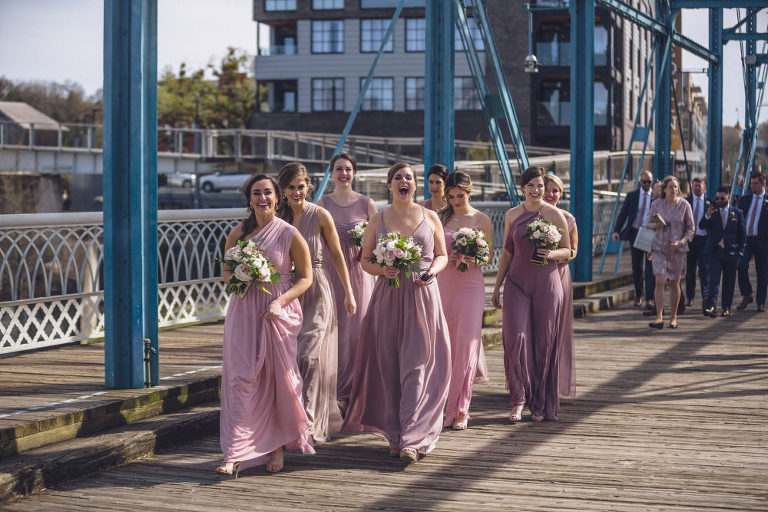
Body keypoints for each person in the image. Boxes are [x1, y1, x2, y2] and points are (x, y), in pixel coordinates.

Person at [342, 162, 451, 463]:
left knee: (416, 367)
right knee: (389, 367)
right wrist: (382, 269)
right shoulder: (378, 219)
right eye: (398, 177)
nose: (404, 181)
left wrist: (432, 271)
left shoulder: (430, 217)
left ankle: (412, 439)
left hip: (422, 295)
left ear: (415, 185)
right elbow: (364, 261)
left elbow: (442, 255)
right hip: (388, 298)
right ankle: (394, 432)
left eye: (409, 178)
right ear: (389, 185)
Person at [217, 174, 314, 476]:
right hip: (244, 311)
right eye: (256, 193)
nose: (263, 197)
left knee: (276, 380)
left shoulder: (289, 234)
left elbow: (306, 278)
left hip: (277, 311)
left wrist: (279, 302)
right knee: (240, 380)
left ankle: (277, 446)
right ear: (249, 199)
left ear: (277, 197)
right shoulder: (237, 234)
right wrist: (242, 277)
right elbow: (226, 274)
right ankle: (235, 452)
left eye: (268, 192)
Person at [277, 162, 357, 444]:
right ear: (282, 189)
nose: (297, 192)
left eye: (301, 186)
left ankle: (307, 423)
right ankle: (288, 417)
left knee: (308, 356)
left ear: (308, 186)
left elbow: (338, 255)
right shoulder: (278, 218)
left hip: (318, 291)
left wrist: (348, 291)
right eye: (291, 187)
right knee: (289, 356)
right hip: (288, 290)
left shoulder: (321, 215)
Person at [491, 166, 571, 422]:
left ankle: (538, 402)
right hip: (517, 283)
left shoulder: (555, 214)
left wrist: (550, 253)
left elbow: (568, 251)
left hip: (547, 283)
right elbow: (506, 252)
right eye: (532, 186)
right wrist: (497, 286)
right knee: (515, 338)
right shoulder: (512, 215)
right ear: (522, 188)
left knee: (544, 342)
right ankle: (517, 400)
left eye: (540, 186)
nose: (537, 191)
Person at [316, 153, 378, 414]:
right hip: (332, 275)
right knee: (334, 332)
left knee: (358, 333)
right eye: (339, 169)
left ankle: (358, 390)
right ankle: (338, 392)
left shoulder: (367, 204)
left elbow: (379, 241)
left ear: (354, 174)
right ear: (331, 174)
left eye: (348, 169)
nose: (343, 173)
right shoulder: (322, 204)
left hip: (360, 275)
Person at [436, 171, 493, 430]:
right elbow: (434, 252)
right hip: (444, 284)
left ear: (469, 192)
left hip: (471, 285)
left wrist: (473, 258)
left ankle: (461, 409)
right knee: (444, 345)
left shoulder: (482, 219)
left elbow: (489, 257)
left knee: (467, 344)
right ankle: (438, 403)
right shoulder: (439, 218)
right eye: (451, 196)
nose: (456, 200)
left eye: (460, 195)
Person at [543, 174, 577, 400]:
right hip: (533, 275)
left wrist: (558, 255)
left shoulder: (568, 218)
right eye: (547, 189)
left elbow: (574, 251)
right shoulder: (528, 216)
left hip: (559, 273)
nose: (550, 194)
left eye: (556, 191)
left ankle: (553, 381)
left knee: (555, 329)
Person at [646, 176, 695, 329]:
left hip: (678, 249)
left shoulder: (684, 205)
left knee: (674, 282)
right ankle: (659, 317)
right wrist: (657, 225)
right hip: (659, 248)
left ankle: (673, 317)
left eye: (676, 187)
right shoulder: (656, 204)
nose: (673, 190)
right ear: (664, 190)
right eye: (670, 187)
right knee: (660, 281)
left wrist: (682, 241)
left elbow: (691, 228)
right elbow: (648, 224)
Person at [611, 170, 656, 310]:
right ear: (640, 182)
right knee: (636, 267)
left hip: (649, 234)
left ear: (652, 181)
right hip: (635, 232)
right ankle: (639, 295)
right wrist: (616, 231)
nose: (647, 184)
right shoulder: (632, 196)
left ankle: (649, 298)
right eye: (644, 181)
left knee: (650, 268)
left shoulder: (656, 197)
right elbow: (623, 214)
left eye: (649, 181)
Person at [700, 187, 746, 318]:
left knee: (729, 281)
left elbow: (743, 235)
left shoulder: (737, 213)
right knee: (714, 280)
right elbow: (701, 225)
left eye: (722, 198)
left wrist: (740, 252)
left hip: (731, 252)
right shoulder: (712, 212)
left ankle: (726, 307)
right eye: (717, 198)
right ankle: (712, 306)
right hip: (715, 251)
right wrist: (707, 215)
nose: (719, 201)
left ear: (728, 197)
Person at [736, 172, 768, 313]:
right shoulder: (744, 199)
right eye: (751, 183)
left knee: (762, 273)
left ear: (763, 184)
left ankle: (760, 302)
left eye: (755, 183)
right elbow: (737, 220)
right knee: (741, 265)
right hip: (746, 240)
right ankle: (747, 294)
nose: (752, 186)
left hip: (763, 241)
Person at [685, 178, 710, 309]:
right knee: (690, 270)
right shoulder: (686, 201)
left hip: (704, 239)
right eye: (695, 186)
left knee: (704, 269)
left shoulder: (710, 202)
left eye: (699, 186)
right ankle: (690, 297)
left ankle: (705, 296)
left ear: (704, 187)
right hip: (690, 239)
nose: (697, 188)